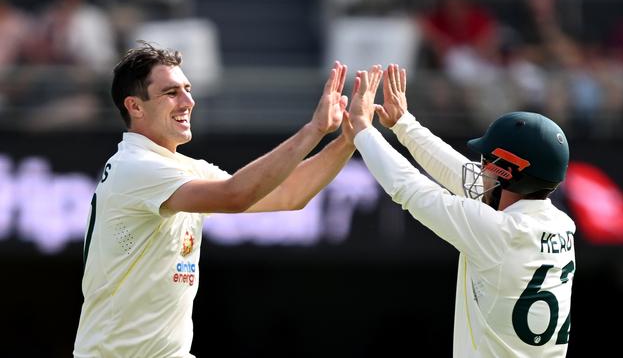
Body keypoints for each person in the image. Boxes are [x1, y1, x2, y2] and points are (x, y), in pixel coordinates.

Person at [73, 42, 356, 357]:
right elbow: (236, 195)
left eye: (188, 89)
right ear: (135, 107)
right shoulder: (137, 166)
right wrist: (314, 130)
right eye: (171, 93)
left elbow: (290, 195)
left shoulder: (181, 168)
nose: (188, 101)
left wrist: (349, 138)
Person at [346, 63, 576, 357]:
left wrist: (363, 131)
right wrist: (404, 124)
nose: (479, 170)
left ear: (509, 172)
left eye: (487, 164)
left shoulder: (499, 232)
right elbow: (466, 179)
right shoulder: (560, 225)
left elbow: (408, 187)